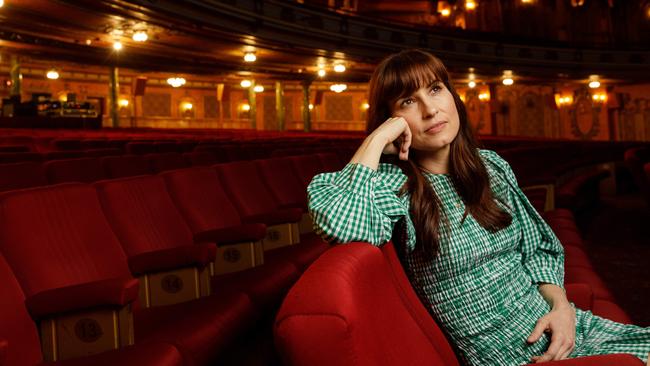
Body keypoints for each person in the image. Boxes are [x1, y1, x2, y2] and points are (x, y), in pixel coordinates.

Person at [307, 49, 650, 365]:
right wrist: (377, 139)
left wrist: (561, 308)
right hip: (516, 355)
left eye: (436, 90)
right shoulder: (395, 186)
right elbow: (340, 224)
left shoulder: (490, 167)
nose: (430, 110)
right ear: (390, 119)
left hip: (559, 323)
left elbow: (537, 249)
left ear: (453, 96)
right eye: (408, 101)